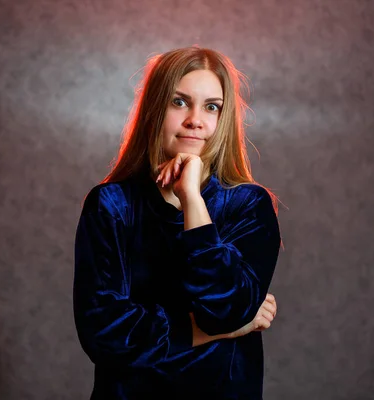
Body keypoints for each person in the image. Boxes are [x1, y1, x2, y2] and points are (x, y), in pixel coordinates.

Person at [73, 46, 281, 399]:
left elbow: (224, 311)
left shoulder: (249, 205)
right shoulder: (111, 205)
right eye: (179, 102)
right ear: (155, 110)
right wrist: (215, 331)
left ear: (223, 118)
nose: (195, 120)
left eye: (211, 107)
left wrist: (192, 201)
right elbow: (105, 335)